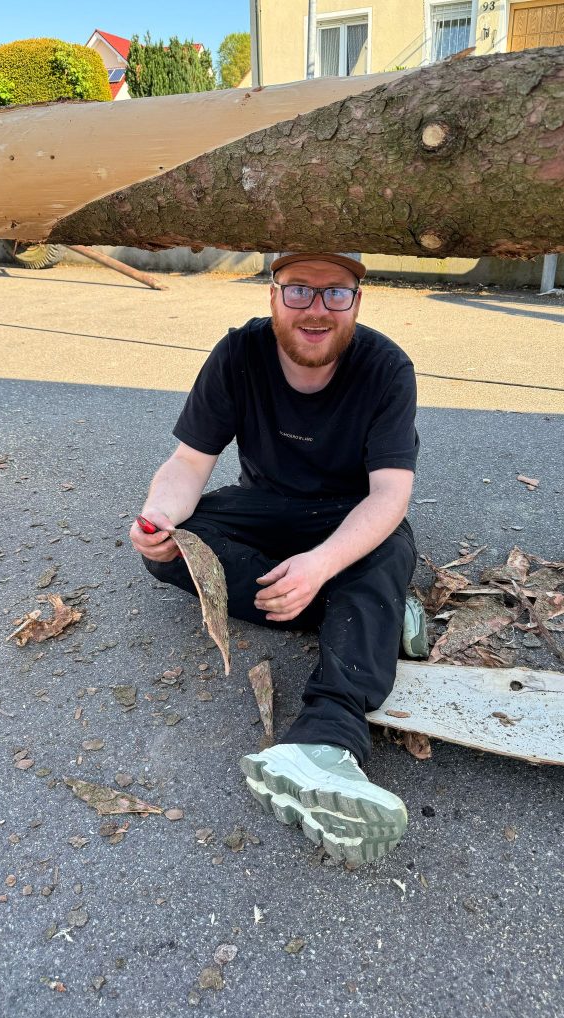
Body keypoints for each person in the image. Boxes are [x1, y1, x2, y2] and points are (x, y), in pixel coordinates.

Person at [130, 251, 423, 867]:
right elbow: (188, 464)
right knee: (176, 551)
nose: (316, 308)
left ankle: (326, 740)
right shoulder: (238, 353)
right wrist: (158, 519)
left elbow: (389, 496)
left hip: (345, 515)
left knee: (388, 546)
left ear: (357, 302)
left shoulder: (387, 367)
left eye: (335, 292)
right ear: (272, 296)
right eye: (298, 290)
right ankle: (374, 614)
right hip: (263, 505)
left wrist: (319, 564)